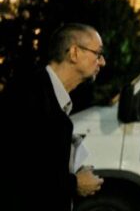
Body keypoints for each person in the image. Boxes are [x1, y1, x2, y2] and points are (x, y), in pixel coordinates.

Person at [0, 23, 106, 210]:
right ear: (74, 53)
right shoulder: (27, 96)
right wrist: (74, 183)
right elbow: (18, 173)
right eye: (97, 53)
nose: (102, 62)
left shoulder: (52, 96)